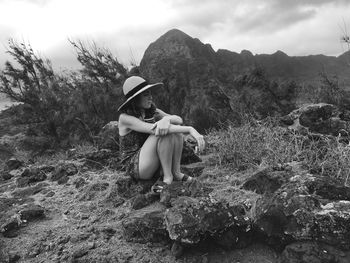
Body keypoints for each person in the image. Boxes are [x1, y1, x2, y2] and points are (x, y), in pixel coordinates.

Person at [118, 76, 205, 191]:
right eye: (145, 95)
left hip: (152, 160)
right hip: (137, 166)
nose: (151, 97)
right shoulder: (125, 118)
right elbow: (154, 130)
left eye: (150, 94)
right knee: (163, 132)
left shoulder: (152, 112)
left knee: (175, 131)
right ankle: (167, 177)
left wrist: (166, 120)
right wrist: (190, 129)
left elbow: (178, 119)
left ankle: (176, 173)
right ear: (135, 99)